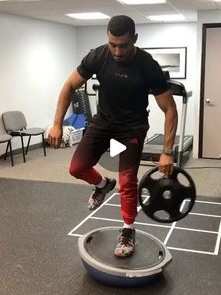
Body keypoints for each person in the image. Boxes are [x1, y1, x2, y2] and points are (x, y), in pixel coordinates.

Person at [48, 15, 178, 258]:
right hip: (103, 122)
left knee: (127, 181)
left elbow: (170, 108)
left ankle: (128, 230)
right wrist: (56, 123)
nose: (117, 51)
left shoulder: (148, 66)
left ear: (135, 39)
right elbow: (68, 85)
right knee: (77, 167)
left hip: (132, 127)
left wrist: (167, 151)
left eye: (124, 45)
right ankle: (102, 185)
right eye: (112, 45)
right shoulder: (98, 56)